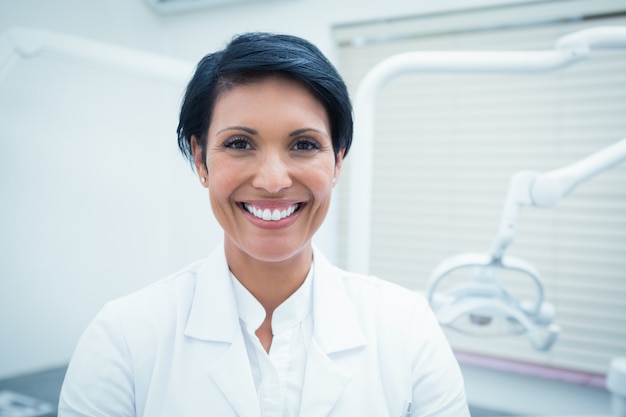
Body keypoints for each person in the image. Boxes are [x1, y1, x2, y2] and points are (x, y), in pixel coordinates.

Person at [58, 32, 470, 417]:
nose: (273, 180)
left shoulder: (407, 330)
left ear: (338, 160)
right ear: (201, 160)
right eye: (239, 144)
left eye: (304, 145)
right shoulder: (123, 339)